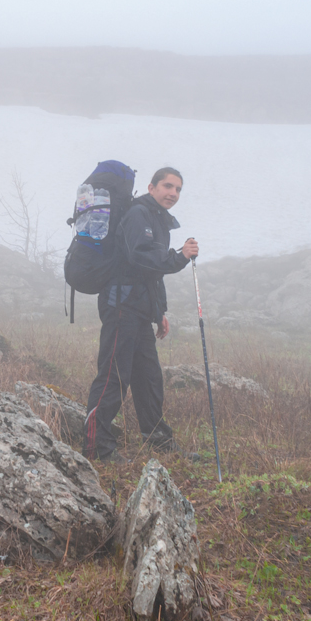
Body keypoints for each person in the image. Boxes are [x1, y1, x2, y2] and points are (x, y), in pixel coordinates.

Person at [84, 167, 199, 463]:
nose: (173, 193)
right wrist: (179, 256)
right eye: (167, 186)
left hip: (138, 308)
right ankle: (97, 447)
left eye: (178, 189)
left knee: (148, 378)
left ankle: (158, 440)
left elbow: (149, 274)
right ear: (151, 187)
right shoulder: (139, 214)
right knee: (114, 377)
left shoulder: (157, 218)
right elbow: (142, 255)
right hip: (120, 306)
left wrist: (158, 312)